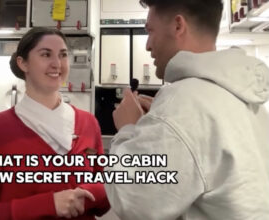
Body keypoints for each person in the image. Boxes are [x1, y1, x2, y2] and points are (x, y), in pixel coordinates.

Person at [105, 0, 269, 219]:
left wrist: (127, 129)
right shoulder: (247, 101)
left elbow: (132, 201)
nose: (147, 45)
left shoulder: (182, 103)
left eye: (150, 31)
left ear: (178, 26)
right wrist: (162, 126)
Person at [0, 27, 110, 220]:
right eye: (45, 54)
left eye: (63, 55)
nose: (57, 64)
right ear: (23, 63)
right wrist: (50, 204)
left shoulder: (88, 123)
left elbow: (106, 193)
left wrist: (84, 195)